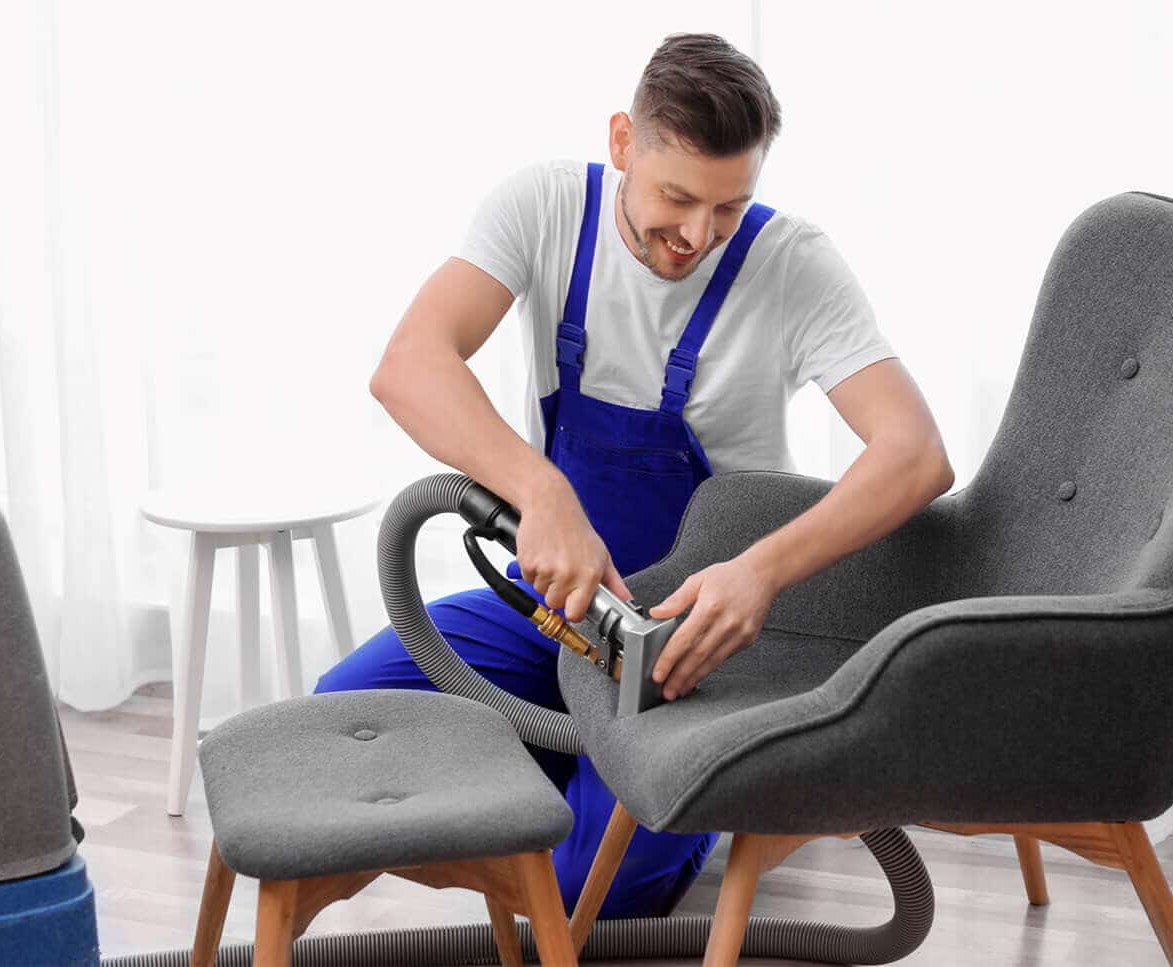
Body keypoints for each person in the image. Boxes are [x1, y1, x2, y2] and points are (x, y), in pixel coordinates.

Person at [315, 32, 954, 920]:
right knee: (340, 725)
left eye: (728, 208)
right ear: (623, 143)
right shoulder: (544, 208)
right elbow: (410, 365)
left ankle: (647, 804)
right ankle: (587, 788)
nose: (696, 236)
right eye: (677, 197)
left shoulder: (794, 265)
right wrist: (543, 493)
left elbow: (915, 454)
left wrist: (761, 570)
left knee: (596, 892)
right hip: (561, 614)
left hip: (696, 652)